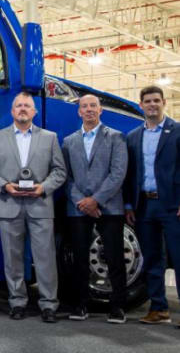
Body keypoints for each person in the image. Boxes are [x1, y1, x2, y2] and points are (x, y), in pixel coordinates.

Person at [0, 92, 66, 323]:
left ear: (34, 111)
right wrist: (5, 186)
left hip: (40, 204)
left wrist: (43, 188)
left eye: (27, 105)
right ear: (12, 111)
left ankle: (48, 305)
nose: (23, 109)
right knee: (13, 258)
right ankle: (17, 302)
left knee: (45, 258)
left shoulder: (50, 138)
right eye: (19, 106)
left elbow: (60, 171)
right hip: (8, 204)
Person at [61, 94, 128, 324]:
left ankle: (118, 307)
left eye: (93, 106)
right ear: (79, 112)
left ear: (101, 111)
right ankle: (80, 305)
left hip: (109, 208)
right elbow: (66, 177)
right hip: (78, 208)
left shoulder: (116, 137)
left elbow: (118, 173)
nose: (89, 110)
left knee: (114, 257)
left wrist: (96, 200)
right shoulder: (69, 142)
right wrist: (82, 201)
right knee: (79, 259)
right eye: (84, 106)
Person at [124, 85, 180, 325]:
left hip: (172, 206)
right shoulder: (134, 136)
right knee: (152, 259)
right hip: (144, 206)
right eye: (147, 101)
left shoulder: (177, 131)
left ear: (164, 102)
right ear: (141, 105)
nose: (152, 105)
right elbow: (130, 174)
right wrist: (128, 205)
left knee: (178, 258)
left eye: (156, 100)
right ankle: (159, 308)